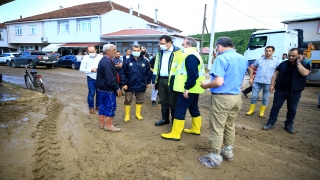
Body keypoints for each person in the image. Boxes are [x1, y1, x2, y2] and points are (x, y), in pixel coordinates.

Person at [198, 36, 248, 168]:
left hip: (222, 98)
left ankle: (215, 156)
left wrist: (205, 85)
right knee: (230, 125)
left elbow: (219, 82)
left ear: (218, 46)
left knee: (217, 128)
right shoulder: (242, 58)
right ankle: (228, 152)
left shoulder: (221, 58)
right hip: (236, 97)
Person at [161, 38, 205, 141]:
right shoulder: (193, 54)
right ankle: (195, 128)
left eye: (183, 44)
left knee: (180, 109)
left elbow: (193, 74)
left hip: (188, 89)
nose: (182, 46)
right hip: (194, 89)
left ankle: (175, 133)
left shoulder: (190, 56)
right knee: (193, 108)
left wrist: (187, 88)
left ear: (189, 45)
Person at [262, 48, 311, 134]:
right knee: (275, 107)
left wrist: (298, 62)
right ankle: (270, 123)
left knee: (292, 109)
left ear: (299, 55)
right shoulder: (283, 64)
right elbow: (276, 74)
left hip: (295, 92)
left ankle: (288, 125)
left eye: (293, 56)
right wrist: (272, 85)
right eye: (289, 55)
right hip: (281, 90)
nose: (291, 57)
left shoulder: (305, 64)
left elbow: (304, 73)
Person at [153, 35, 183, 126]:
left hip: (173, 80)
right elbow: (156, 67)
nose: (161, 45)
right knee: (163, 100)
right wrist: (155, 80)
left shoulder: (178, 52)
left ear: (170, 42)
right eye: (160, 43)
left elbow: (181, 68)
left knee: (173, 102)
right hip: (161, 79)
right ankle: (165, 119)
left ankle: (175, 121)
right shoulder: (160, 53)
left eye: (163, 43)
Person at [246, 46, 281, 117]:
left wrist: (274, 83)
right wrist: (251, 78)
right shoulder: (259, 60)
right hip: (257, 81)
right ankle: (251, 110)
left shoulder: (277, 61)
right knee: (254, 96)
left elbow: (278, 72)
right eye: (266, 51)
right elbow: (251, 68)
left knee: (265, 98)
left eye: (269, 51)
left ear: (273, 52)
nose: (267, 52)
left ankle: (262, 112)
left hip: (268, 82)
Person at [120, 44, 151, 122]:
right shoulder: (127, 61)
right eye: (134, 50)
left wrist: (147, 82)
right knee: (128, 100)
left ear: (140, 51)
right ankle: (127, 115)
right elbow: (122, 73)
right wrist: (124, 84)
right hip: (129, 84)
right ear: (131, 51)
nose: (136, 52)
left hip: (141, 84)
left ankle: (138, 114)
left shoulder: (145, 61)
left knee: (140, 100)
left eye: (138, 50)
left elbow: (148, 72)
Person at [96, 44, 122, 132]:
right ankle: (109, 125)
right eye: (114, 49)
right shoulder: (107, 62)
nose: (115, 51)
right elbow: (110, 79)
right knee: (110, 107)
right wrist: (117, 88)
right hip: (108, 89)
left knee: (102, 106)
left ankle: (102, 124)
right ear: (107, 51)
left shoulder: (104, 60)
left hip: (101, 88)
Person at [80, 45, 103, 114]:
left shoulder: (101, 57)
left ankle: (98, 106)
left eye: (93, 51)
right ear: (87, 52)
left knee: (99, 93)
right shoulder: (85, 58)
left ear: (95, 50)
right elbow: (81, 69)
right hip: (91, 78)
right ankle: (91, 107)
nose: (92, 53)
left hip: (100, 78)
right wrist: (90, 70)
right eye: (90, 52)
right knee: (91, 93)